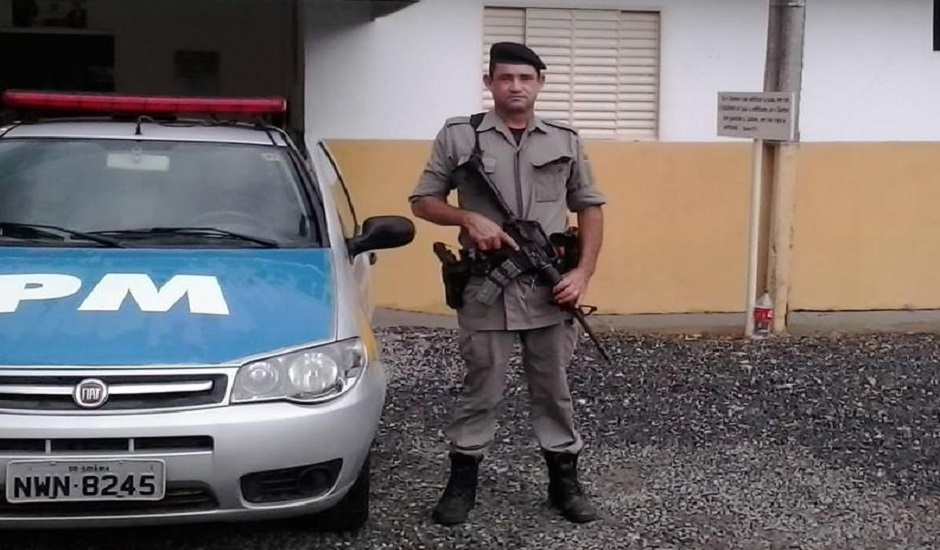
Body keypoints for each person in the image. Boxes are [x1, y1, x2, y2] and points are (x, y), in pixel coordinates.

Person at [407, 41, 606, 525]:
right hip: (485, 290)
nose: (515, 86)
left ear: (540, 83)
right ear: (489, 82)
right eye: (505, 78)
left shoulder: (564, 139)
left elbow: (589, 207)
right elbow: (423, 201)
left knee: (554, 391)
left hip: (549, 289)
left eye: (525, 78)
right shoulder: (460, 136)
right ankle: (462, 482)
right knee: (481, 390)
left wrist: (582, 273)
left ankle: (564, 483)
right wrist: (467, 218)